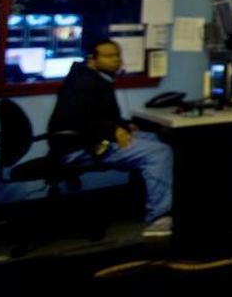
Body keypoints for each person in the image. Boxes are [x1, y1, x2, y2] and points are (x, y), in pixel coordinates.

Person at [48, 38, 174, 237]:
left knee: (154, 139)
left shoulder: (95, 78)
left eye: (117, 55)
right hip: (80, 147)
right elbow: (81, 119)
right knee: (160, 152)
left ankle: (143, 200)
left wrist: (122, 125)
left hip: (89, 139)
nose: (116, 60)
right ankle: (158, 217)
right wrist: (112, 129)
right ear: (92, 59)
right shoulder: (83, 83)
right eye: (109, 56)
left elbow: (100, 114)